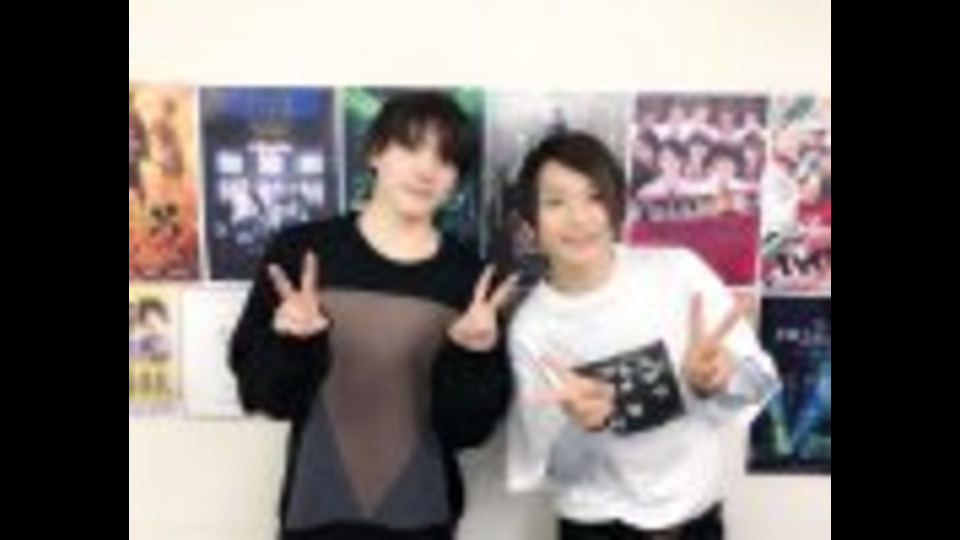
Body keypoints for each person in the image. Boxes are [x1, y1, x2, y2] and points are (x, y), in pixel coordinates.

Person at [229, 91, 517, 540]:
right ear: (375, 152)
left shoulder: (472, 281)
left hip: (425, 519)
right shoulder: (302, 253)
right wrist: (293, 344)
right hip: (314, 515)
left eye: (445, 159)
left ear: (456, 179)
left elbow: (469, 431)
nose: (425, 170)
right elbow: (262, 397)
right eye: (410, 147)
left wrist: (471, 357)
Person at [504, 131, 780, 540]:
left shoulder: (678, 272)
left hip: (698, 523)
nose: (578, 218)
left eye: (594, 197)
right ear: (531, 224)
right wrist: (584, 427)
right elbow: (554, 470)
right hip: (598, 530)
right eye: (556, 202)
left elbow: (761, 387)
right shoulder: (533, 328)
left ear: (616, 207)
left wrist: (721, 380)